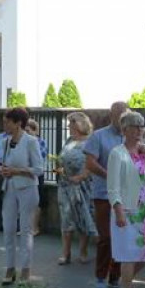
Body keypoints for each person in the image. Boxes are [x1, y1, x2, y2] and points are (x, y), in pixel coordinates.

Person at [107, 111, 145, 288]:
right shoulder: (117, 153)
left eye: (141, 126)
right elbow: (113, 186)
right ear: (124, 129)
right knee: (128, 255)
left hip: (143, 211)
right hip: (126, 210)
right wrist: (118, 209)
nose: (139, 130)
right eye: (134, 126)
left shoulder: (143, 152)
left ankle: (125, 282)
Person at [0, 107, 43, 285]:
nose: (4, 125)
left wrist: (17, 171)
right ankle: (10, 268)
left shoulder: (31, 141)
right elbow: (1, 161)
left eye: (7, 122)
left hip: (27, 188)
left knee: (26, 230)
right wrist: (4, 171)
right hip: (10, 187)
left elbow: (39, 169)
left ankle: (26, 270)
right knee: (8, 228)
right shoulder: (5, 142)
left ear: (18, 123)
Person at [85, 101, 128, 288]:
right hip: (103, 193)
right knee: (106, 236)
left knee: (122, 236)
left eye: (124, 116)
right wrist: (110, 175)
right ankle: (101, 276)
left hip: (126, 195)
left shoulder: (131, 138)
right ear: (111, 115)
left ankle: (115, 277)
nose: (121, 120)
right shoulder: (98, 136)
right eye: (119, 116)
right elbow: (90, 163)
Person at [55, 112, 97, 265]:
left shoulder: (90, 141)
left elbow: (92, 163)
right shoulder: (69, 141)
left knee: (83, 217)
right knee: (66, 219)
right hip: (65, 185)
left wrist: (81, 177)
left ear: (79, 125)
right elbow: (61, 159)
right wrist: (59, 169)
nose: (69, 127)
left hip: (83, 186)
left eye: (71, 124)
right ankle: (65, 253)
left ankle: (83, 251)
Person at [26, 119, 49, 236]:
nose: (26, 133)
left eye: (29, 131)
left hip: (36, 175)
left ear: (35, 131)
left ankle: (35, 227)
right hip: (26, 174)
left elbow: (39, 157)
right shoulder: (24, 142)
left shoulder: (41, 142)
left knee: (37, 202)